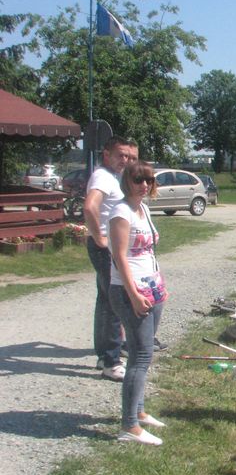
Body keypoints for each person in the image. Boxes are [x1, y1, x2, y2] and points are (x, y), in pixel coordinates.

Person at [108, 161, 168, 446]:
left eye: (148, 180)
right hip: (129, 289)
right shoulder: (121, 211)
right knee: (139, 355)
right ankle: (129, 425)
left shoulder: (142, 208)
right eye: (138, 180)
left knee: (144, 352)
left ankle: (139, 410)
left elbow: (147, 250)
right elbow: (119, 257)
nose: (144, 185)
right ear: (127, 182)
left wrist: (158, 285)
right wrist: (133, 294)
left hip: (152, 286)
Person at [84, 136, 135, 381]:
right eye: (120, 155)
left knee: (105, 301)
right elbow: (90, 206)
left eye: (128, 156)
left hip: (108, 247)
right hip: (105, 248)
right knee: (115, 301)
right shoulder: (103, 176)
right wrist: (99, 237)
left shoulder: (111, 176)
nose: (124, 160)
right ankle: (111, 360)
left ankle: (105, 354)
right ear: (107, 154)